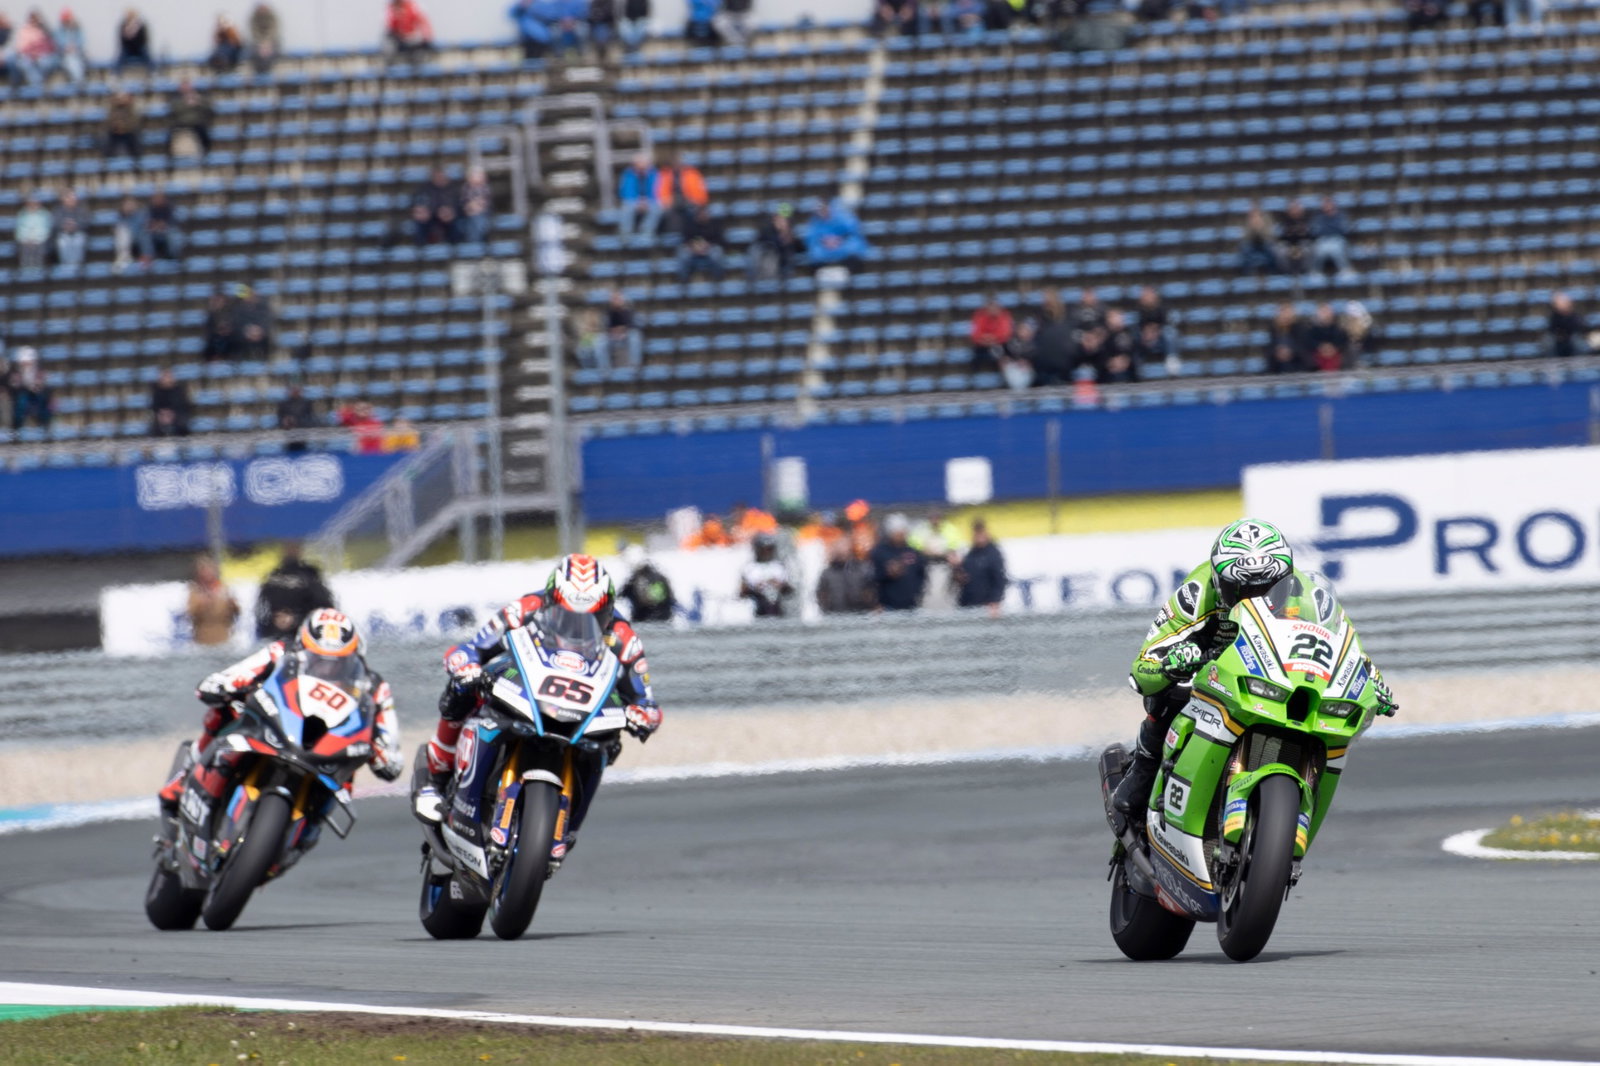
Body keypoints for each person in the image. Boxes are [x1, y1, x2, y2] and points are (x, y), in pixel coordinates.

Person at [1110, 520, 1398, 826]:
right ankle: (1145, 765)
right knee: (1168, 694)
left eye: (1268, 587)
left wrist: (1368, 675)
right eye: (1244, 589)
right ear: (1221, 582)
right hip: (1209, 662)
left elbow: (1344, 644)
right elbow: (1143, 668)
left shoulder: (1309, 594)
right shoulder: (1197, 591)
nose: (1256, 596)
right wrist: (1171, 662)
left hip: (1270, 670)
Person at [413, 555, 663, 874]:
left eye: (592, 617)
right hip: (526, 684)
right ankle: (436, 775)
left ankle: (567, 829)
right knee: (462, 693)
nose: (578, 626)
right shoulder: (525, 609)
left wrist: (642, 715)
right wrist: (466, 665)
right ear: (550, 601)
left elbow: (646, 698)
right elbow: (474, 646)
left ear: (607, 609)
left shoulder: (623, 637)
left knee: (608, 744)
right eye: (568, 615)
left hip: (582, 705)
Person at [157, 609, 403, 824]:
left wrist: (381, 752)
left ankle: (303, 830)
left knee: (350, 775)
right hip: (278, 726)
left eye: (338, 663)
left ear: (356, 657)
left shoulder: (374, 686)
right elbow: (240, 672)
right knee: (225, 710)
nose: (327, 668)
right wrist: (223, 684)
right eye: (318, 659)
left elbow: (390, 744)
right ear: (302, 646)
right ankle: (187, 775)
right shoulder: (281, 653)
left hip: (330, 754)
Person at [254, 543, 336, 640]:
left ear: (300, 550)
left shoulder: (310, 574)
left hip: (305, 632)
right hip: (274, 633)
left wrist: (297, 619)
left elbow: (325, 606)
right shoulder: (273, 575)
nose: (291, 550)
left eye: (294, 546)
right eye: (288, 547)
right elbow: (261, 608)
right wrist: (275, 619)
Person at [870, 513, 927, 611]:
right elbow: (871, 578)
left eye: (903, 529)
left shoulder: (913, 552)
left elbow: (921, 574)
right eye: (897, 530)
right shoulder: (879, 552)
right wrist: (887, 573)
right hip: (887, 606)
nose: (901, 533)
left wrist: (917, 592)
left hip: (911, 606)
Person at [954, 519, 1006, 616]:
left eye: (980, 532)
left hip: (986, 606)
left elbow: (1000, 580)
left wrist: (995, 601)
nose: (978, 536)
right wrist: (957, 568)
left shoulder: (993, 553)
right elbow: (964, 577)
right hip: (968, 604)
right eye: (976, 533)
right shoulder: (971, 553)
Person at [805, 197, 870, 273]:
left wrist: (840, 240)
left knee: (853, 252)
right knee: (815, 255)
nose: (822, 212)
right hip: (824, 250)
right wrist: (824, 242)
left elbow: (853, 232)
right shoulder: (815, 222)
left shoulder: (843, 217)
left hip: (844, 246)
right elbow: (811, 239)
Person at [186, 555, 239, 646]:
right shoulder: (195, 591)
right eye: (204, 570)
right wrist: (202, 604)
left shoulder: (223, 588)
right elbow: (190, 614)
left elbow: (236, 612)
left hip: (224, 638)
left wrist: (232, 604)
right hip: (203, 639)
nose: (208, 573)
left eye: (210, 569)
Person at [652, 153, 709, 237]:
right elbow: (660, 191)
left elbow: (700, 191)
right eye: (675, 162)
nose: (677, 164)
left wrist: (698, 201)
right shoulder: (665, 174)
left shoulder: (693, 173)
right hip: (671, 201)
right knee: (663, 212)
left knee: (692, 212)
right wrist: (664, 201)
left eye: (679, 162)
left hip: (690, 201)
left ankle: (691, 236)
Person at [740, 532, 792, 618]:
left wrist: (779, 585)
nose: (766, 552)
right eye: (763, 549)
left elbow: (788, 590)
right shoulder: (750, 568)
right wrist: (755, 588)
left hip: (776, 607)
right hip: (757, 607)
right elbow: (742, 592)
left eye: (769, 549)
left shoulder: (778, 567)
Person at [816, 538, 876, 614]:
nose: (843, 554)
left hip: (859, 614)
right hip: (835, 614)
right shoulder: (827, 573)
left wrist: (868, 600)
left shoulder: (861, 569)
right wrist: (825, 608)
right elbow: (821, 594)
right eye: (840, 551)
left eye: (845, 550)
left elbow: (870, 590)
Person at [748, 203, 804, 281]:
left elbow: (801, 248)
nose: (784, 222)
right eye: (781, 219)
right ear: (775, 218)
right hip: (767, 268)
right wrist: (782, 239)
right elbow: (767, 245)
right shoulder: (766, 231)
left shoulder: (789, 232)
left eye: (786, 220)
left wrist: (791, 239)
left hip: (784, 267)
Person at [620, 545, 675, 622]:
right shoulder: (635, 580)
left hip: (652, 621)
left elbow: (658, 600)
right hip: (658, 620)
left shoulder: (648, 578)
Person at [410, 166, 459, 245]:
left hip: (448, 217)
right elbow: (416, 202)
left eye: (441, 176)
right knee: (420, 222)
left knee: (455, 223)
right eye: (437, 176)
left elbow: (458, 205)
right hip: (430, 216)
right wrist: (421, 211)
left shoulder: (453, 189)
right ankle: (420, 247)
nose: (439, 178)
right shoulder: (424, 188)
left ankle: (454, 246)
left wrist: (451, 212)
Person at [678, 204, 726, 282]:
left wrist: (708, 245)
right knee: (683, 254)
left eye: (705, 213)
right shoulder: (690, 224)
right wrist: (694, 246)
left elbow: (721, 240)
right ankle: (684, 282)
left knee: (717, 253)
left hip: (710, 249)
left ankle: (718, 281)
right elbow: (684, 239)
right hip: (693, 249)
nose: (703, 215)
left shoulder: (714, 224)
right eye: (701, 214)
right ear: (696, 215)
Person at [6, 348, 52, 429]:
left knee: (43, 403)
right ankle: (17, 428)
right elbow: (14, 384)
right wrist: (23, 384)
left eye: (28, 361)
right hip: (22, 393)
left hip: (37, 394)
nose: (26, 364)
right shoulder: (16, 371)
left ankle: (44, 426)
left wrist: (36, 386)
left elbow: (42, 383)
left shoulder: (39, 371)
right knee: (21, 404)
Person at [167, 79, 215, 157]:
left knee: (203, 133)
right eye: (184, 87)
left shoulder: (198, 97)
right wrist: (186, 104)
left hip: (196, 122)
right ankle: (169, 154)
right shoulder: (176, 99)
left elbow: (209, 109)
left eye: (187, 86)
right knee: (170, 134)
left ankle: (206, 152)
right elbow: (174, 110)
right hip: (181, 122)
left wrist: (198, 103)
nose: (186, 89)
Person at [12, 10, 58, 88]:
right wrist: (31, 53)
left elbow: (52, 47)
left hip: (43, 56)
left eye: (36, 18)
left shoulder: (45, 30)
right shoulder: (24, 30)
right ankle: (37, 86)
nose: (34, 20)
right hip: (28, 56)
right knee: (26, 64)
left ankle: (41, 85)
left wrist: (40, 54)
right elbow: (20, 48)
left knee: (45, 63)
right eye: (33, 18)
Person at [1310, 196, 1353, 279]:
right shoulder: (1318, 217)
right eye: (1325, 205)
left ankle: (1345, 270)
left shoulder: (1340, 216)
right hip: (1323, 240)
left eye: (1329, 205)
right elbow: (1315, 232)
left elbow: (1345, 230)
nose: (1328, 207)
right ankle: (1316, 271)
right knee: (1320, 250)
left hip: (1337, 239)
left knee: (1336, 249)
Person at [616, 153, 658, 238]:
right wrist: (639, 202)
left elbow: (657, 190)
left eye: (644, 162)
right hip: (633, 200)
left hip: (650, 200)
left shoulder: (654, 174)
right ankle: (625, 234)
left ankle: (647, 232)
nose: (641, 165)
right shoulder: (628, 174)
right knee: (626, 207)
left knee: (657, 208)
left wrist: (646, 201)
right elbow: (625, 191)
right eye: (639, 162)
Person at [970, 294, 1014, 371]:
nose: (993, 309)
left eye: (995, 307)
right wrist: (986, 339)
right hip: (983, 344)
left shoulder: (1004, 316)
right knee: (976, 352)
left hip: (999, 343)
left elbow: (1005, 334)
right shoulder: (980, 316)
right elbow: (975, 335)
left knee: (1008, 348)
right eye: (991, 307)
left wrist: (992, 339)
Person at [137, 189, 183, 262]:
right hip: (153, 231)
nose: (157, 200)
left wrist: (163, 225)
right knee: (143, 234)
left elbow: (173, 221)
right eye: (155, 198)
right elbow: (145, 222)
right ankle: (149, 256)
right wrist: (154, 226)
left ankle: (173, 256)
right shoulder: (149, 209)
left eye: (159, 198)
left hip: (167, 230)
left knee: (174, 234)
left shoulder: (170, 208)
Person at [1236, 204, 1282, 277]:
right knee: (1244, 249)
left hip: (1264, 244)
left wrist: (1260, 228)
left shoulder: (1267, 220)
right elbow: (1244, 238)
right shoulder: (1246, 221)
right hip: (1251, 245)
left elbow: (1270, 236)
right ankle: (1246, 275)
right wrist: (1253, 229)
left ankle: (1273, 274)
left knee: (1273, 250)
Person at [603, 288, 644, 368]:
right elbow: (607, 327)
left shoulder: (629, 310)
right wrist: (615, 331)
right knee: (601, 341)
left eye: (618, 299)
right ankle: (605, 368)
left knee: (635, 336)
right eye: (614, 299)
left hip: (627, 336)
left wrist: (623, 330)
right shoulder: (608, 312)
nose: (616, 301)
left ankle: (635, 365)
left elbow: (634, 325)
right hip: (613, 337)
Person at [52, 187, 88, 270]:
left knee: (79, 240)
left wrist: (75, 226)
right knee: (62, 241)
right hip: (63, 233)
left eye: (73, 197)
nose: (71, 199)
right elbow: (56, 223)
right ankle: (66, 266)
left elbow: (85, 222)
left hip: (78, 232)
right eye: (68, 197)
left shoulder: (81, 209)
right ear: (63, 199)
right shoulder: (58, 210)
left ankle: (77, 265)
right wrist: (64, 226)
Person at [150, 365, 192, 436]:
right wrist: (161, 414)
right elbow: (155, 405)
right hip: (162, 414)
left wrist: (171, 414)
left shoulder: (178, 390)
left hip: (177, 413)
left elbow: (183, 405)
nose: (166, 379)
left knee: (182, 423)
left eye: (168, 376)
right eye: (164, 376)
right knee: (154, 426)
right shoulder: (156, 390)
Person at [458, 166, 493, 244]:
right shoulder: (465, 189)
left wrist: (475, 208)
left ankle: (475, 245)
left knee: (478, 221)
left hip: (483, 214)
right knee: (471, 223)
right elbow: (463, 205)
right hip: (467, 215)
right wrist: (470, 208)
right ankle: (477, 246)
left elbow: (485, 204)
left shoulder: (485, 189)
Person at [14, 196, 51, 270]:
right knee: (25, 249)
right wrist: (25, 239)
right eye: (30, 203)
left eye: (35, 203)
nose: (33, 205)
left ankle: (38, 272)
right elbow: (19, 230)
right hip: (25, 241)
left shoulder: (45, 214)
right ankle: (25, 271)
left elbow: (46, 230)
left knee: (39, 249)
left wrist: (36, 239)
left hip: (40, 240)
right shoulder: (21, 214)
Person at [1277, 198, 1312, 275]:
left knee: (1308, 248)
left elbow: (1310, 237)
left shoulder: (1306, 220)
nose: (1295, 210)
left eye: (1297, 208)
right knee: (1280, 250)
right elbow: (1281, 238)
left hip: (1302, 245)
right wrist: (1291, 249)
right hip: (1288, 246)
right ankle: (1286, 273)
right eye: (1292, 208)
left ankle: (1305, 272)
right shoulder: (1284, 222)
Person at [277, 382, 316, 450]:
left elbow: (310, 418)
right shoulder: (283, 404)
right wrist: (284, 422)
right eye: (293, 390)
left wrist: (297, 421)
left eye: (297, 390)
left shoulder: (306, 403)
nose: (295, 392)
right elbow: (279, 418)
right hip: (288, 433)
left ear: (300, 391)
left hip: (302, 433)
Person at [104, 90, 142, 160]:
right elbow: (109, 121)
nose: (121, 100)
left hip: (128, 131)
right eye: (119, 98)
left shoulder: (131, 109)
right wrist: (116, 127)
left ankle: (137, 160)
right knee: (107, 140)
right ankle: (106, 161)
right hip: (115, 132)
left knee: (134, 138)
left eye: (124, 98)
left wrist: (125, 127)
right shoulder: (112, 108)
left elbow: (134, 122)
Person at [1548, 291, 1586, 359]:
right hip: (1558, 339)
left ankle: (1579, 361)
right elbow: (1552, 329)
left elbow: (1578, 327)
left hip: (1571, 338)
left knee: (1577, 341)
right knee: (1549, 341)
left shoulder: (1574, 315)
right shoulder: (1554, 316)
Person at [56, 10, 86, 84]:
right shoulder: (60, 31)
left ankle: (78, 80)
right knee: (70, 59)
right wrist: (66, 48)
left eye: (68, 20)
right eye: (65, 20)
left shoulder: (77, 29)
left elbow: (81, 41)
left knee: (75, 59)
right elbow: (59, 43)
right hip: (64, 55)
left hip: (77, 53)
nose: (67, 22)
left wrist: (75, 47)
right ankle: (78, 80)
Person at [248, 3, 280, 73]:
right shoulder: (253, 18)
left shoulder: (273, 17)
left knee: (271, 54)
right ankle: (259, 73)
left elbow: (274, 31)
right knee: (254, 53)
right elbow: (254, 32)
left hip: (271, 42)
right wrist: (261, 44)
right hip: (258, 43)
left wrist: (267, 43)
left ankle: (267, 72)